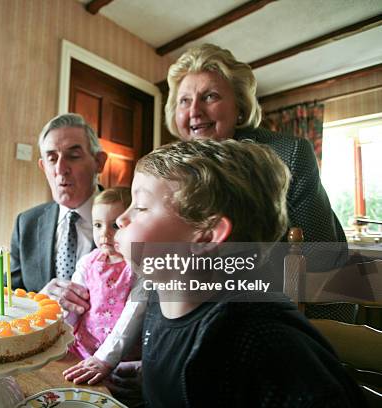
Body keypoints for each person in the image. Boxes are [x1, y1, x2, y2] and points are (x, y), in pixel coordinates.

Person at [113, 139, 365, 407]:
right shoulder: (158, 298)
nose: (121, 219)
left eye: (140, 207)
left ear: (206, 235)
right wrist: (152, 378)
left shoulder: (262, 345)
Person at [164, 44, 346, 269]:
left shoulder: (288, 154)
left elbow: (324, 259)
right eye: (184, 101)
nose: (194, 111)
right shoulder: (168, 169)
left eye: (210, 96)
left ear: (240, 107)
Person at [10, 113, 107, 314]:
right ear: (43, 166)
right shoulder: (26, 223)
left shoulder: (129, 220)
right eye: (52, 158)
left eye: (73, 156)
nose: (61, 169)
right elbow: (8, 297)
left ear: (99, 162)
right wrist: (37, 304)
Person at [61, 187, 146, 385]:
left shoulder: (137, 268)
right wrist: (58, 338)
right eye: (98, 225)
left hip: (117, 357)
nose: (104, 233)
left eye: (115, 226)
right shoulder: (87, 263)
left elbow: (133, 315)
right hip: (80, 348)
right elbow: (74, 306)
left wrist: (105, 358)